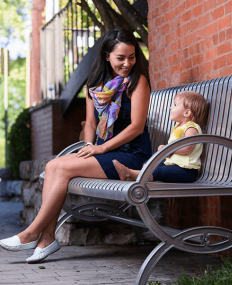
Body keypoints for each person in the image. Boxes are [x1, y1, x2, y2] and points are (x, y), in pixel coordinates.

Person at [0, 28, 152, 263]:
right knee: (53, 166)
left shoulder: (137, 81)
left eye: (131, 57)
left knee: (61, 168)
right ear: (106, 56)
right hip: (105, 150)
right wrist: (90, 144)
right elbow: (91, 122)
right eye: (120, 58)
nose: (127, 63)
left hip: (131, 155)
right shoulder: (95, 84)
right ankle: (47, 239)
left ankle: (31, 233)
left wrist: (100, 148)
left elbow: (137, 127)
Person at [113, 91, 209, 183]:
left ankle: (130, 174)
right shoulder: (178, 127)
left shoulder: (191, 127)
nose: (171, 108)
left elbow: (188, 148)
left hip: (186, 170)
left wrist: (169, 150)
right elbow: (176, 150)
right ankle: (139, 177)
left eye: (175, 105)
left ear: (187, 113)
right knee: (148, 164)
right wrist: (165, 150)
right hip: (175, 166)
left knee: (157, 172)